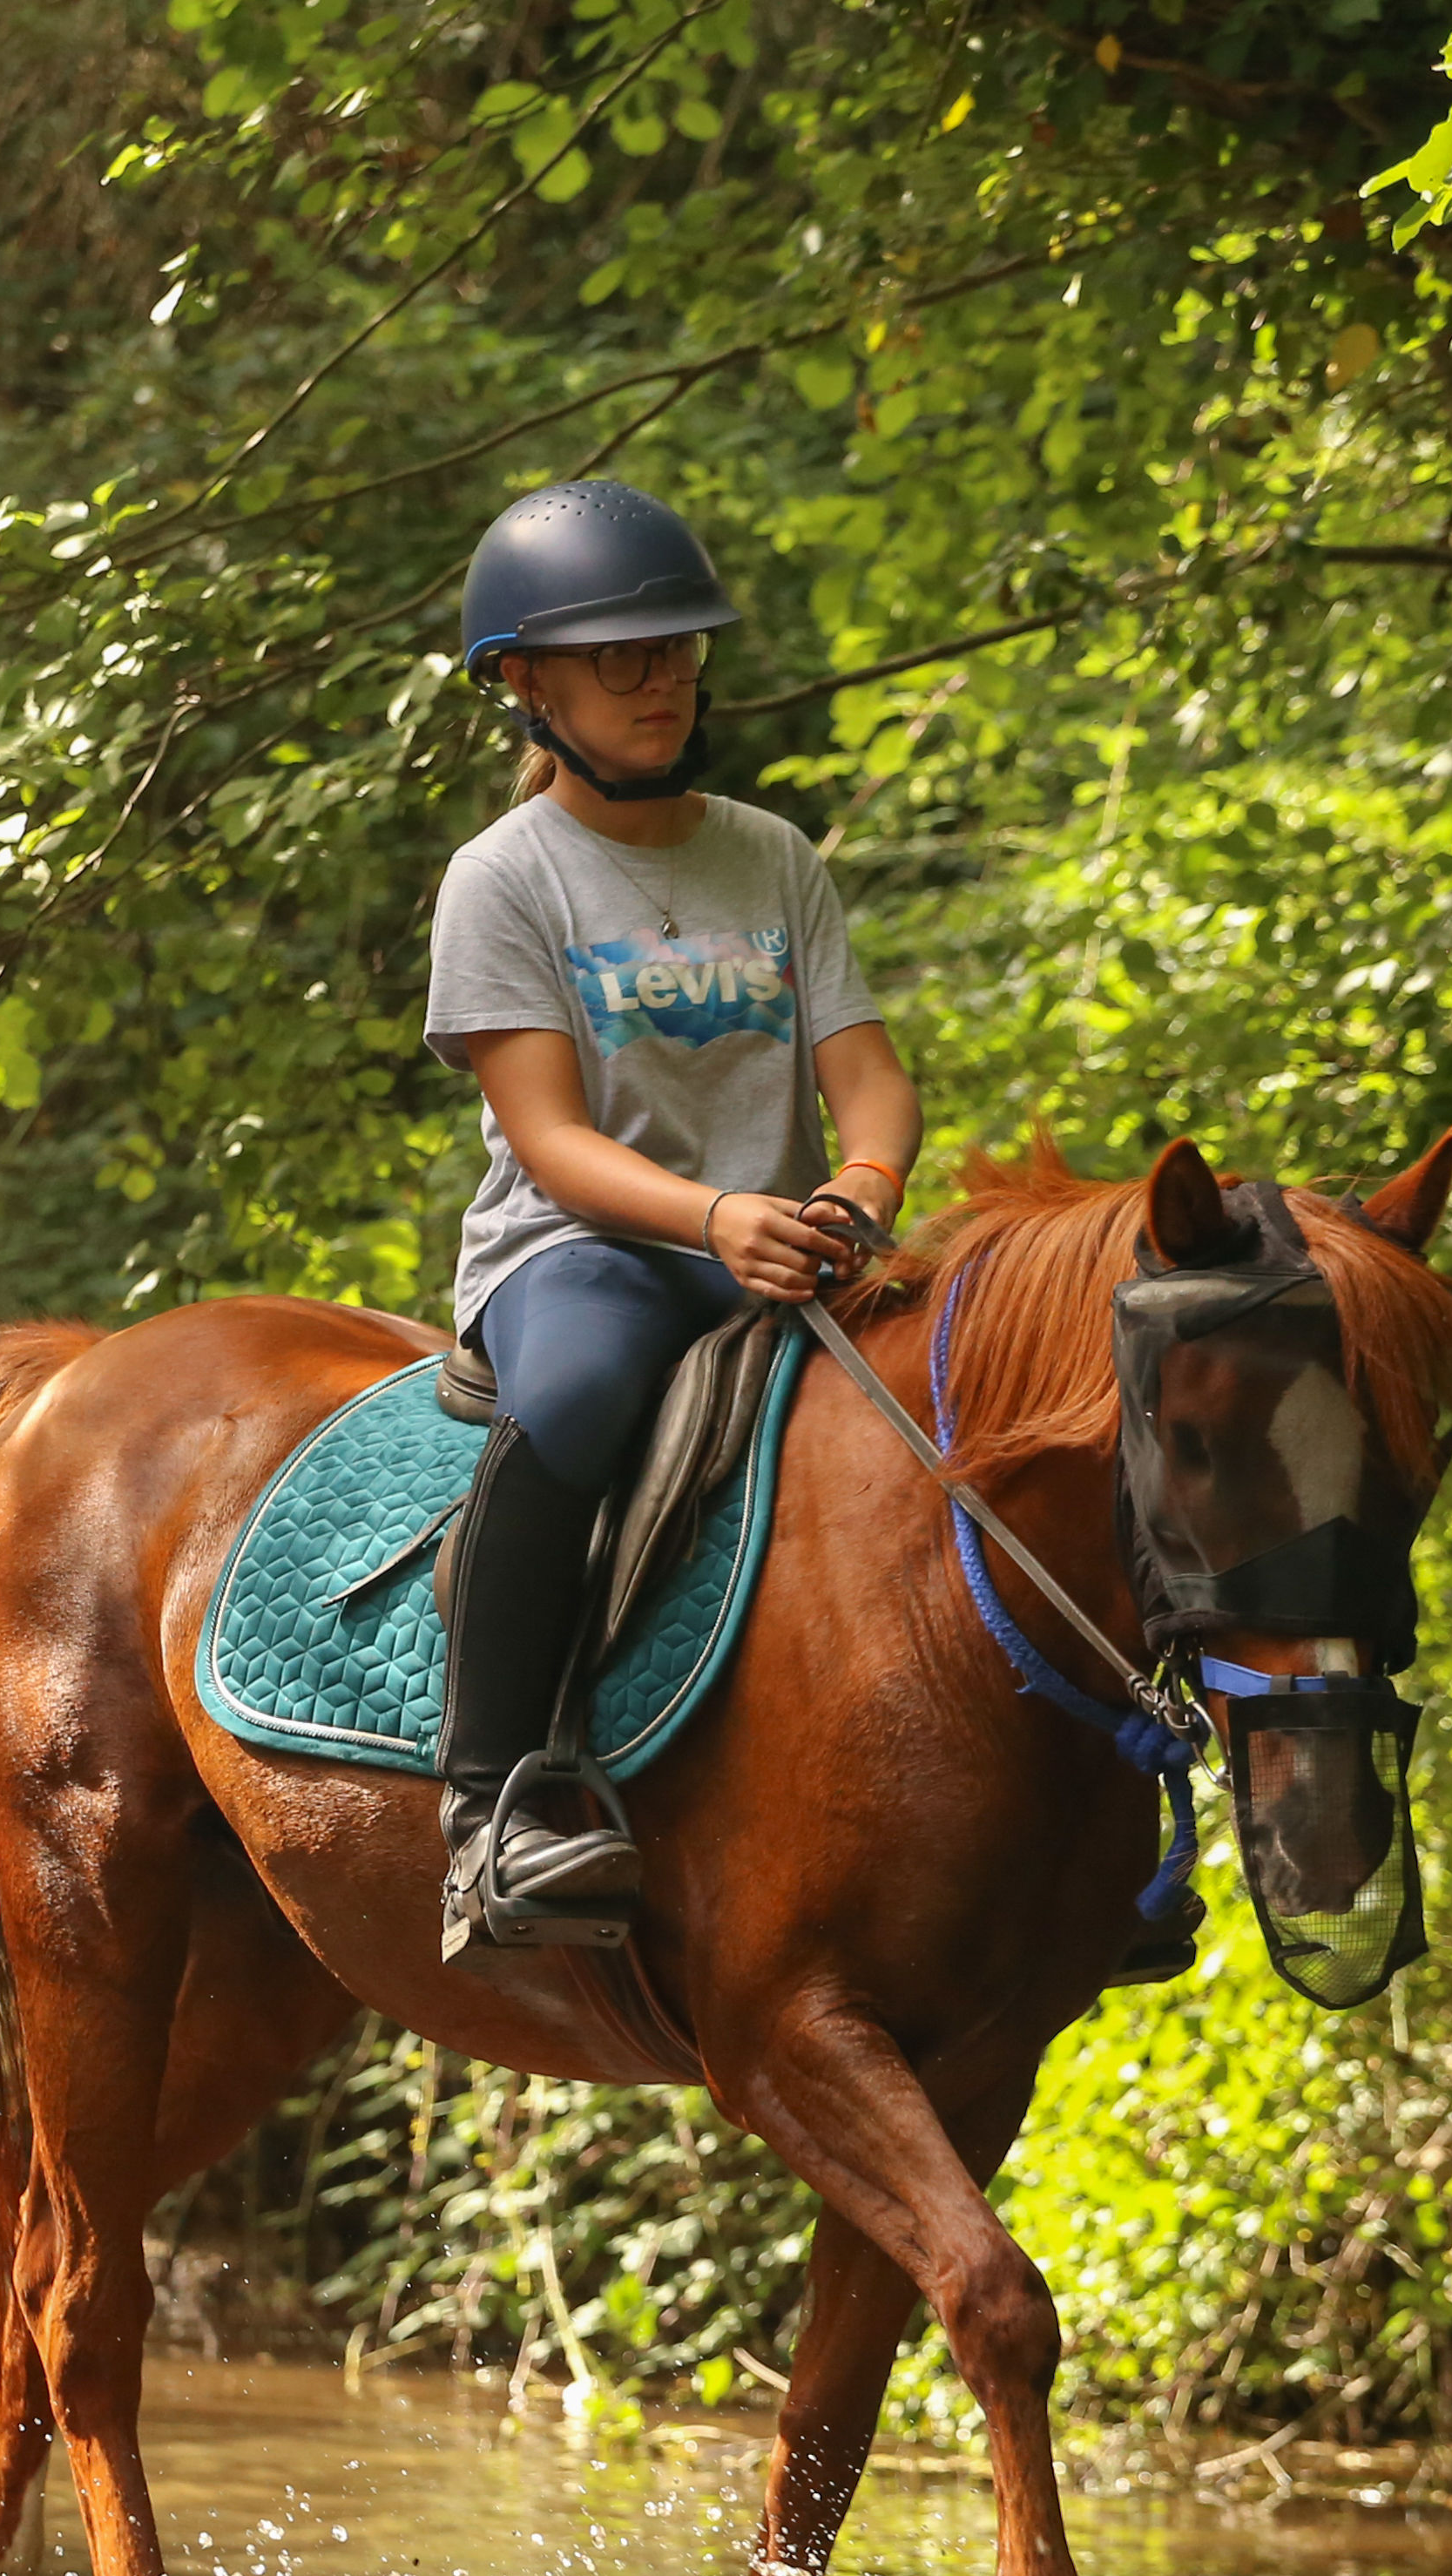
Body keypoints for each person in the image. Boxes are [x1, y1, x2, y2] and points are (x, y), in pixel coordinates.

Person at [422, 477, 922, 1953]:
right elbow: (553, 1143)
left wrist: (863, 1185)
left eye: (681, 650)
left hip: (779, 1240)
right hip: (588, 1253)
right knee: (575, 1403)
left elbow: (871, 1079)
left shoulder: (771, 854)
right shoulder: (503, 878)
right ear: (525, 682)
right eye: (623, 656)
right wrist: (715, 1219)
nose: (665, 681)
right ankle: (486, 1803)